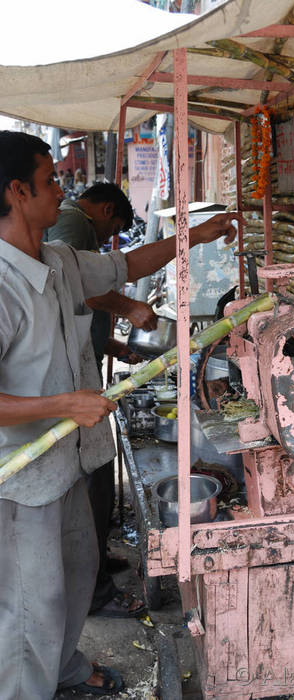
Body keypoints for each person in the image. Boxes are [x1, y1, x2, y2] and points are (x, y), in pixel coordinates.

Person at [0, 130, 239, 699]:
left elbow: (127, 264)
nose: (62, 190)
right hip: (21, 480)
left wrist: (195, 236)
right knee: (30, 605)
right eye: (50, 179)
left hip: (69, 464)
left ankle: (63, 670)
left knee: (79, 577)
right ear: (15, 191)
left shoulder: (55, 261)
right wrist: (63, 404)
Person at [45, 182, 155, 619]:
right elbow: (86, 288)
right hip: (66, 401)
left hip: (77, 384)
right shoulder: (73, 224)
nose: (58, 191)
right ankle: (93, 588)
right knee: (89, 484)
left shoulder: (68, 235)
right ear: (108, 210)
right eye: (49, 181)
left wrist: (108, 345)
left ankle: (94, 564)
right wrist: (128, 306)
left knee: (95, 478)